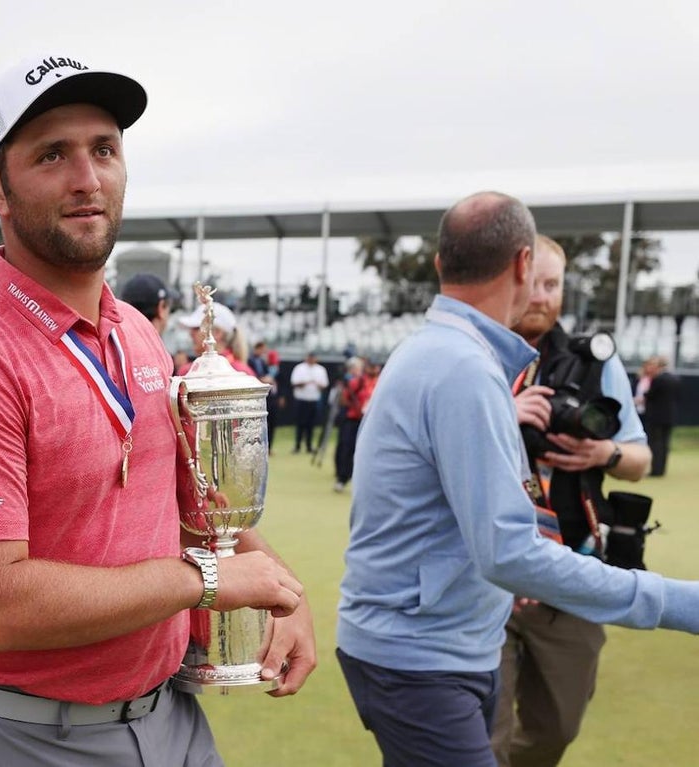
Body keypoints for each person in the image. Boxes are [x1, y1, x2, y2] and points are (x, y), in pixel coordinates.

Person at [0, 53, 316, 767]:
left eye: (104, 149)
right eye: (52, 154)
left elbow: (192, 502)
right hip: (23, 734)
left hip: (168, 715)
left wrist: (282, 586)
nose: (87, 179)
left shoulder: (138, 334)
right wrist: (209, 581)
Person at [336, 190, 699, 767]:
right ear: (524, 265)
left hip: (446, 646)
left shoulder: (440, 353)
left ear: (439, 264)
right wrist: (678, 602)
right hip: (421, 655)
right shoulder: (463, 368)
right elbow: (508, 553)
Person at [491, 235, 651, 767]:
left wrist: (601, 452)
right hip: (485, 574)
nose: (540, 295)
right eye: (532, 282)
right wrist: (502, 413)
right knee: (481, 734)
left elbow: (638, 458)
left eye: (552, 284)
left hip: (571, 565)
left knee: (557, 727)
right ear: (512, 280)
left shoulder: (593, 361)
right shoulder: (476, 358)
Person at [176, 300, 256, 376]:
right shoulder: (242, 370)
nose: (191, 333)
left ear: (217, 332)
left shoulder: (239, 371)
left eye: (196, 328)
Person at [332, 356, 376, 493]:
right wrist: (356, 407)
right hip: (353, 419)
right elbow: (343, 399)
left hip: (368, 421)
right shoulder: (356, 382)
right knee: (347, 448)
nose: (373, 369)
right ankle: (342, 478)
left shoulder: (378, 381)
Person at [643, 355, 681, 477]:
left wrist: (645, 394)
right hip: (670, 416)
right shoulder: (675, 378)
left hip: (657, 416)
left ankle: (656, 471)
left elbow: (650, 395)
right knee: (665, 444)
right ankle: (662, 470)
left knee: (656, 444)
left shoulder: (658, 379)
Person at [289, 351, 327, 454]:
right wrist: (305, 383)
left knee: (311, 424)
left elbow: (324, 384)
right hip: (301, 399)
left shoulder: (320, 369)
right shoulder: (299, 368)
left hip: (313, 400)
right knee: (300, 424)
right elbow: (294, 382)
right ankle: (297, 446)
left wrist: (317, 384)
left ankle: (309, 446)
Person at [249, 341, 280, 453]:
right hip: (257, 396)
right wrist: (262, 379)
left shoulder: (262, 361)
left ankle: (268, 447)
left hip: (269, 397)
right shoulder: (250, 360)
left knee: (271, 423)